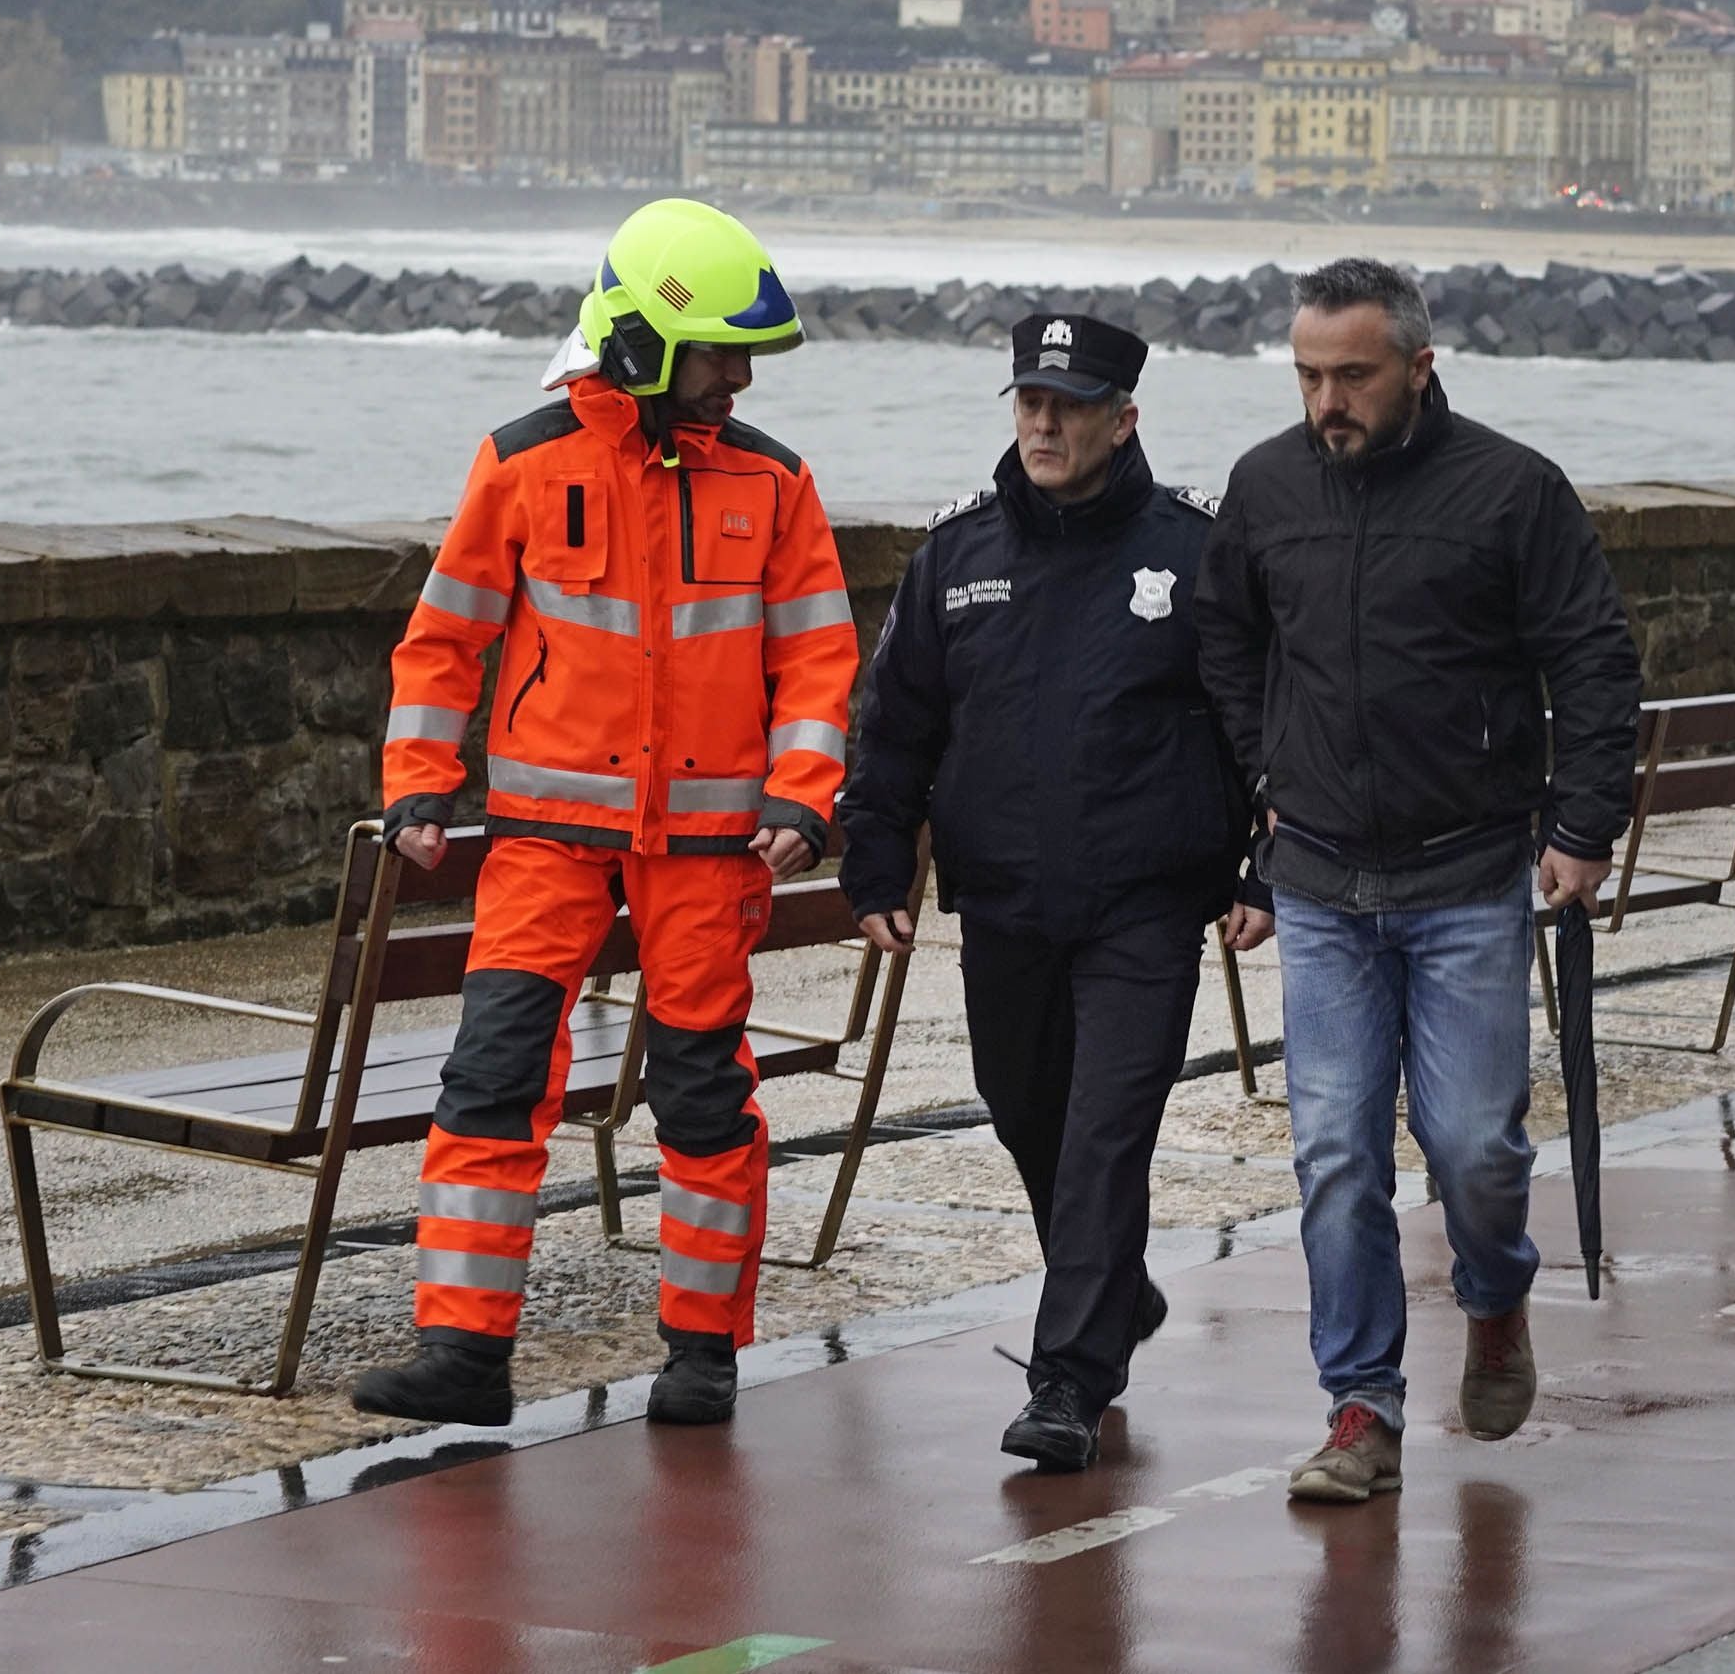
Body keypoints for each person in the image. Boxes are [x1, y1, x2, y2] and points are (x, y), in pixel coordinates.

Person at [348, 199, 861, 1431]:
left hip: (705, 855)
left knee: (701, 1098)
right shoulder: (522, 462)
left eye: (749, 358)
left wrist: (803, 795)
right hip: (543, 842)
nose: (738, 377)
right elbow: (444, 637)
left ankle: (702, 1355)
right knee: (492, 1079)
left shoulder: (775, 482)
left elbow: (819, 660)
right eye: (720, 352)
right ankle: (462, 1354)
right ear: (642, 341)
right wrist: (417, 783)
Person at [1195, 257, 1643, 1503]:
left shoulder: (1511, 490)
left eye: (1351, 374)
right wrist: (1259, 775)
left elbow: (1593, 660)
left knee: (1470, 1146)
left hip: (1469, 874)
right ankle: (1360, 1406)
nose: (1325, 400)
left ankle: (1496, 1295)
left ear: (1419, 366)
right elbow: (1224, 639)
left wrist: (1585, 823)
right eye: (1307, 375)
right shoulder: (1267, 486)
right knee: (1335, 1152)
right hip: (1323, 879)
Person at [837, 313, 1252, 1472]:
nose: (1043, 422)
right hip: (1005, 899)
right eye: (1028, 400)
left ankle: (1069, 1374)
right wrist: (875, 860)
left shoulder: (1194, 550)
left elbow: (1255, 718)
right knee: (1027, 1111)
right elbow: (896, 724)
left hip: (1146, 901)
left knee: (1107, 1133)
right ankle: (1112, 1282)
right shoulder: (956, 556)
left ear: (1124, 418)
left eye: (1068, 404)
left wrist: (1262, 864)